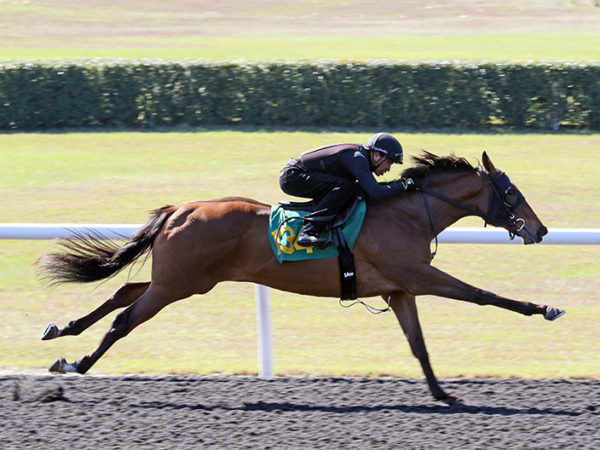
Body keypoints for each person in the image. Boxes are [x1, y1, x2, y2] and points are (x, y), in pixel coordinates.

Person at [279, 132, 418, 247]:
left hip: (301, 174)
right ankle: (309, 231)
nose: (388, 169)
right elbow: (376, 193)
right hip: (293, 177)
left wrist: (400, 184)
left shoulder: (361, 157)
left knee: (352, 188)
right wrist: (404, 185)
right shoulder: (357, 159)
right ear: (377, 155)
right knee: (345, 187)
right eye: (389, 162)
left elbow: (371, 189)